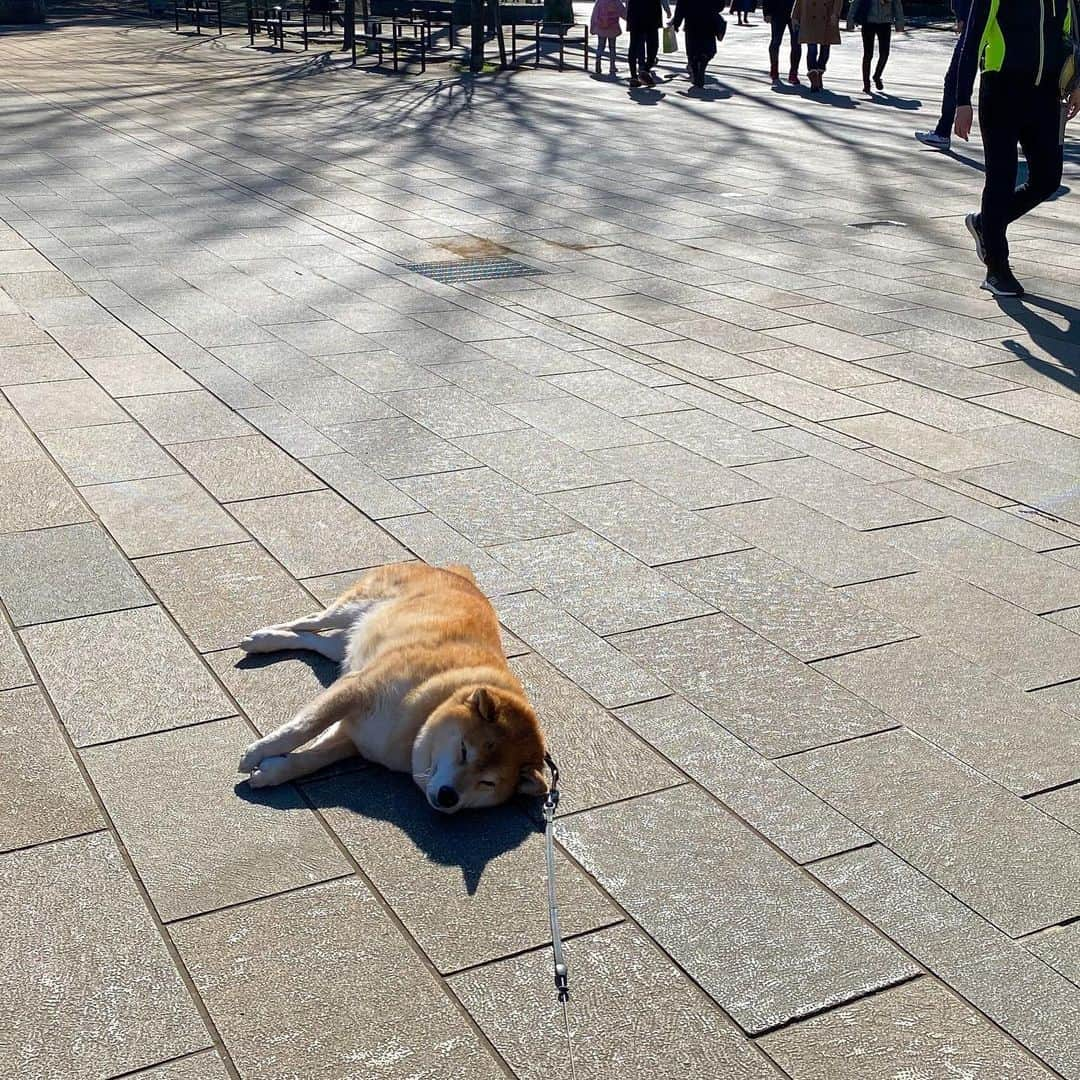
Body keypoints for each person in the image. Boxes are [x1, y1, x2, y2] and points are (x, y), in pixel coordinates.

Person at [954, 0, 1079, 296]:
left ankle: (986, 223)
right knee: (1001, 179)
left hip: (1046, 97)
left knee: (1048, 179)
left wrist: (1077, 84)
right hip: (1001, 92)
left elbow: (1071, 38)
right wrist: (962, 101)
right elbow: (971, 41)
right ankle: (997, 269)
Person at [915, 0, 971, 149]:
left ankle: (943, 133)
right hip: (980, 22)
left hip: (976, 24)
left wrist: (962, 17)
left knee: (954, 79)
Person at [847, 0, 904, 94]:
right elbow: (855, 3)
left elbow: (897, 5)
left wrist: (900, 23)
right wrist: (850, 20)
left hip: (885, 23)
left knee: (885, 53)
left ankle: (877, 76)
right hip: (868, 22)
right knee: (868, 54)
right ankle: (866, 84)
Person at [672, 0, 727, 87]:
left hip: (691, 20)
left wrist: (676, 22)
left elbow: (681, 6)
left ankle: (696, 73)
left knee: (692, 50)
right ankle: (702, 66)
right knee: (707, 48)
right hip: (709, 20)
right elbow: (720, 5)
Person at [792, 0, 842, 92]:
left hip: (827, 18)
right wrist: (795, 16)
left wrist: (835, 14)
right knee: (812, 50)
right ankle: (814, 77)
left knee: (825, 51)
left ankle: (819, 73)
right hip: (809, 18)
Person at [626, 0, 664, 85]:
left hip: (636, 16)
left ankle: (635, 75)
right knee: (652, 45)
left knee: (634, 46)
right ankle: (644, 70)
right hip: (651, 17)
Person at [763, 0, 801, 83]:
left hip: (796, 13)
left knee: (796, 44)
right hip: (777, 12)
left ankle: (793, 73)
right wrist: (767, 13)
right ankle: (774, 69)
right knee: (775, 42)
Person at [591, 0, 627, 76]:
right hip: (612, 27)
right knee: (612, 47)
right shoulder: (616, 2)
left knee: (600, 46)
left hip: (601, 27)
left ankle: (598, 61)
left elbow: (594, 14)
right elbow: (623, 13)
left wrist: (593, 26)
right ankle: (612, 66)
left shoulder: (600, 1)